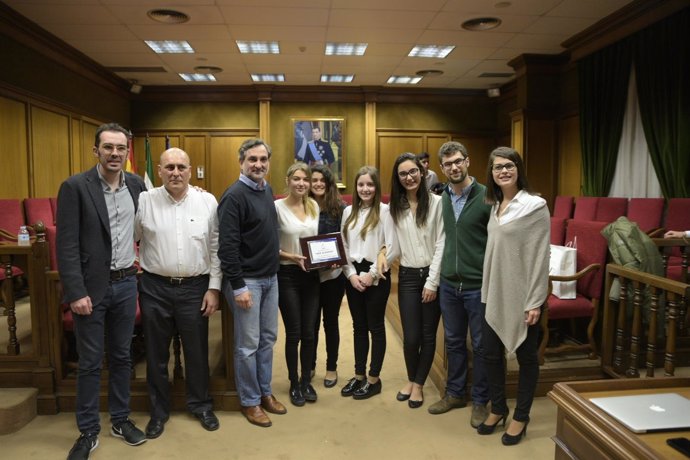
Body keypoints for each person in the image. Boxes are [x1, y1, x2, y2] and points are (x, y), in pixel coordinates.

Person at [56, 122, 147, 460]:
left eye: (120, 148)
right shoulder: (75, 187)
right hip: (91, 290)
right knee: (91, 362)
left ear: (127, 152)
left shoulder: (137, 185)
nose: (114, 153)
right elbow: (65, 245)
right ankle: (88, 430)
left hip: (126, 283)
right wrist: (75, 292)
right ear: (96, 150)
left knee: (123, 357)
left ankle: (121, 420)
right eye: (108, 147)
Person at [134, 148, 221, 438]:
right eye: (169, 167)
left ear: (189, 169)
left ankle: (200, 405)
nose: (175, 172)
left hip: (196, 287)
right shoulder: (145, 200)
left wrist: (214, 288)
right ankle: (159, 412)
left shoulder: (206, 200)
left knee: (197, 352)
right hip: (155, 287)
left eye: (181, 167)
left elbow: (216, 248)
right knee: (156, 354)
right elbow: (131, 238)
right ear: (159, 171)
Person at [478, 147, 550, 446]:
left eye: (509, 166)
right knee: (490, 354)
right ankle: (498, 408)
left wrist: (534, 300)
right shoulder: (495, 205)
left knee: (526, 357)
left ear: (518, 168)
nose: (503, 171)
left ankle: (521, 415)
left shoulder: (534, 205)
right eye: (497, 168)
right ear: (491, 173)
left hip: (523, 295)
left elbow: (539, 256)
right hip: (494, 292)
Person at [217, 138, 287, 428]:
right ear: (241, 162)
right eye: (252, 159)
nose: (258, 164)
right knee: (247, 345)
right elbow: (227, 248)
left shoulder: (265, 189)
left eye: (263, 159)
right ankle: (250, 401)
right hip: (247, 281)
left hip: (271, 277)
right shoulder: (234, 196)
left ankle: (265, 391)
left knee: (267, 340)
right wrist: (238, 286)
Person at [428, 141, 491, 430]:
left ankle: (480, 399)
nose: (454, 167)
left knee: (479, 345)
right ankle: (454, 394)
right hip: (450, 285)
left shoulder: (487, 196)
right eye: (448, 164)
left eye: (458, 162)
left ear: (467, 161)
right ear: (441, 168)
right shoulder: (441, 199)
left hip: (478, 285)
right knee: (453, 342)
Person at [384, 153, 444, 409]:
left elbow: (442, 243)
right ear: (398, 179)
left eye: (412, 172)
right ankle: (411, 379)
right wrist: (377, 268)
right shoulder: (395, 209)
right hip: (408, 276)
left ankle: (418, 384)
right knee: (411, 336)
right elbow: (392, 248)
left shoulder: (438, 203)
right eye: (403, 174)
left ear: (422, 172)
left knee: (428, 334)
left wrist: (432, 282)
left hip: (432, 275)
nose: (409, 177)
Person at [340, 166, 398, 400]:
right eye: (361, 184)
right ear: (356, 187)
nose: (365, 189)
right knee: (358, 327)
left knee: (375, 327)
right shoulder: (347, 213)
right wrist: (351, 275)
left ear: (376, 187)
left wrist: (371, 274)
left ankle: (374, 379)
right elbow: (342, 247)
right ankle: (359, 375)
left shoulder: (385, 212)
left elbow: (392, 247)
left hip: (377, 275)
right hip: (353, 276)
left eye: (370, 185)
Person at [275, 162, 320, 406]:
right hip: (287, 275)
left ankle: (306, 381)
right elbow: (270, 244)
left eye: (305, 179)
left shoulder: (313, 205)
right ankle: (293, 383)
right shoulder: (277, 208)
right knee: (293, 333)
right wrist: (291, 256)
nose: (301, 183)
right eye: (297, 179)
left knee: (309, 332)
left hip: (311, 276)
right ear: (288, 180)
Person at [309, 164, 347, 388]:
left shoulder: (340, 208)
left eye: (322, 180)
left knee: (330, 323)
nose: (318, 184)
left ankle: (331, 367)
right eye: (314, 180)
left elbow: (345, 239)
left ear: (329, 183)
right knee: (310, 324)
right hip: (310, 277)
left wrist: (338, 258)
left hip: (333, 275)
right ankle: (310, 364)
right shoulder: (303, 207)